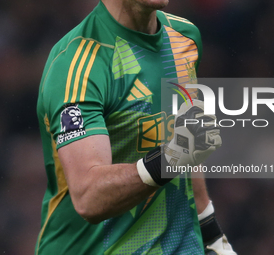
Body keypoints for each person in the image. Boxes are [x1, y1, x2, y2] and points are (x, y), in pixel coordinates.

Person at [35, 0, 237, 254]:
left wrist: (212, 235)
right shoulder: (76, 66)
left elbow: (188, 142)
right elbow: (89, 198)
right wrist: (170, 159)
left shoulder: (185, 36)